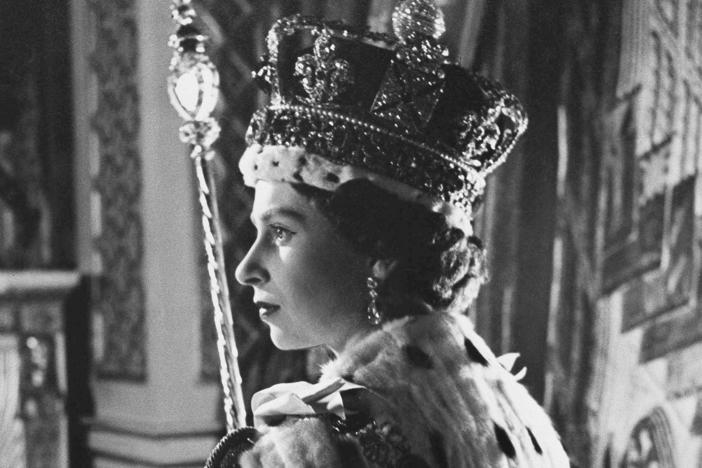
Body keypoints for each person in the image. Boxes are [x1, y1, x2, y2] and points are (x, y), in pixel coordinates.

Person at [206, 1, 571, 466]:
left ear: (378, 250)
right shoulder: (493, 392)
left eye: (280, 232)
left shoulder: (331, 448)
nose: (246, 269)